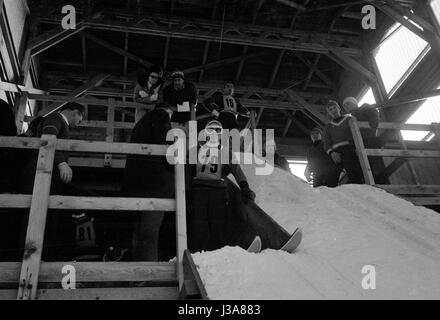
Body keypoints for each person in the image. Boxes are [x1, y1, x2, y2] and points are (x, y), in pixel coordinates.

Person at [187, 120, 256, 253]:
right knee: (211, 227)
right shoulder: (223, 152)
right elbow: (237, 171)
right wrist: (245, 187)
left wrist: (245, 187)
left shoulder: (195, 150)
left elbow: (187, 172)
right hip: (210, 193)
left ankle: (205, 255)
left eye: (216, 131)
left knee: (205, 227)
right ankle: (206, 255)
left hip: (203, 193)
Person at [122, 103, 176, 261]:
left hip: (136, 184)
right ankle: (150, 272)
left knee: (138, 231)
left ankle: (136, 270)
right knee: (150, 232)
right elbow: (165, 141)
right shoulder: (162, 116)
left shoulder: (140, 124)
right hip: (155, 184)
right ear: (169, 111)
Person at [323, 100, 364, 184]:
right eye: (330, 109)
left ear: (339, 108)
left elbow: (357, 134)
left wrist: (357, 148)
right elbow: (326, 143)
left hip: (349, 149)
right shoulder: (328, 126)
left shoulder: (349, 119)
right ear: (329, 113)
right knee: (329, 179)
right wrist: (332, 153)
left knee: (354, 174)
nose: (333, 110)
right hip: (335, 152)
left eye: (334, 108)